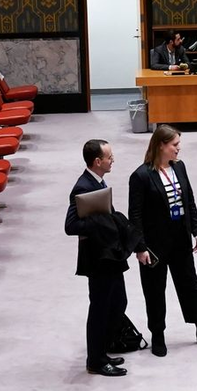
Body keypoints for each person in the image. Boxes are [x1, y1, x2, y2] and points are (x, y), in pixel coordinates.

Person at [127, 124, 197, 356]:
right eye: (175, 145)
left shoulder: (179, 168)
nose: (178, 149)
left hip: (180, 239)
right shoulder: (141, 176)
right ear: (161, 146)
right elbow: (135, 216)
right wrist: (140, 247)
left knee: (190, 285)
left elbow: (189, 201)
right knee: (154, 290)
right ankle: (158, 334)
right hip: (154, 245)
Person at [65, 139, 143, 377]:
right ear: (97, 161)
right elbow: (71, 225)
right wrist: (100, 221)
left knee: (118, 303)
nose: (113, 160)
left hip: (111, 255)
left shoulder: (97, 181)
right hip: (98, 259)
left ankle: (103, 349)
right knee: (100, 308)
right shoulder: (82, 187)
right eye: (109, 157)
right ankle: (96, 360)